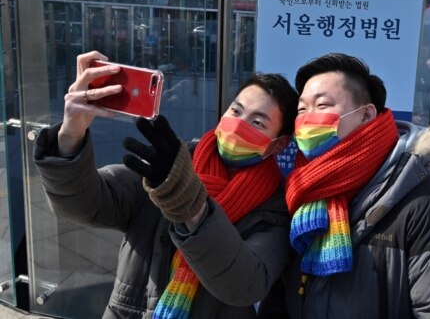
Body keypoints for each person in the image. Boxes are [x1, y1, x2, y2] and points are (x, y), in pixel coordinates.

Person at [33, 51, 298, 318]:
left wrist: (185, 201)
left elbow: (245, 285)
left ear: (279, 143)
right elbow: (83, 203)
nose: (238, 125)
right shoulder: (168, 163)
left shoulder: (275, 209)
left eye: (257, 122)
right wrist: (70, 134)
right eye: (236, 110)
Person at [260, 53, 430, 318]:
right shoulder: (302, 196)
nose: (307, 119)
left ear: (366, 114)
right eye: (301, 110)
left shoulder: (427, 209)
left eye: (322, 105)